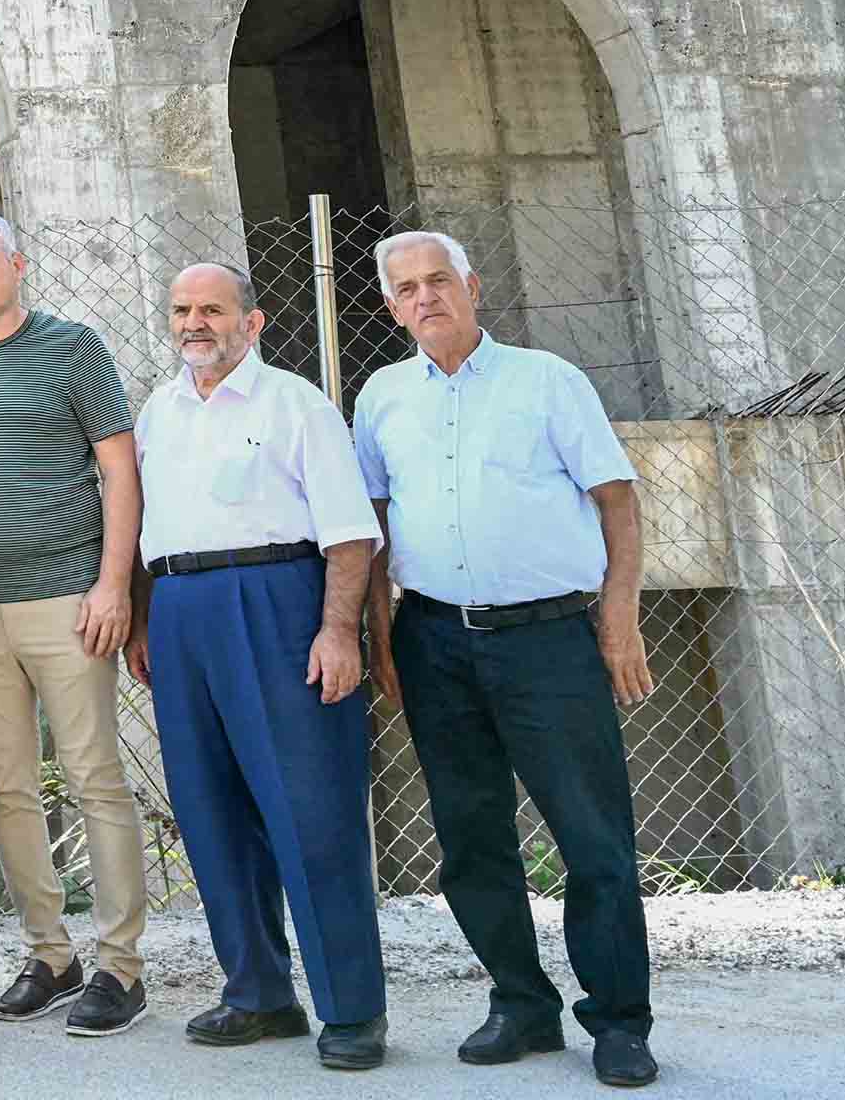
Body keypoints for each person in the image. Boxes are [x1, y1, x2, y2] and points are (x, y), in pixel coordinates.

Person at [356, 232, 658, 1091]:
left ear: (473, 286)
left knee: (593, 838)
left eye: (439, 280)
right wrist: (381, 638)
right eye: (407, 288)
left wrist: (619, 623)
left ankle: (619, 1022)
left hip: (550, 640)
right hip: (435, 641)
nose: (425, 298)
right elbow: (372, 531)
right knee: (471, 838)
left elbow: (618, 503)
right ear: (390, 304)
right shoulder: (380, 398)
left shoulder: (547, 381)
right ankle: (521, 1004)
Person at [129, 263, 387, 1070]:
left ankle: (351, 1011)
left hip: (277, 603)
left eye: (212, 309)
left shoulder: (295, 404)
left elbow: (349, 533)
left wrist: (338, 630)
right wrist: (143, 619)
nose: (194, 323)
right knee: (210, 813)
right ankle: (258, 993)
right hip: (178, 614)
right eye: (181, 310)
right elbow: (147, 523)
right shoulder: (155, 411)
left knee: (309, 809)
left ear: (253, 320)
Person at [0, 210, 150, 1037]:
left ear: (16, 264)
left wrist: (112, 586)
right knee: (7, 788)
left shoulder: (73, 348)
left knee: (94, 778)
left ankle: (121, 968)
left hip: (69, 600)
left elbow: (120, 470)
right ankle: (51, 957)